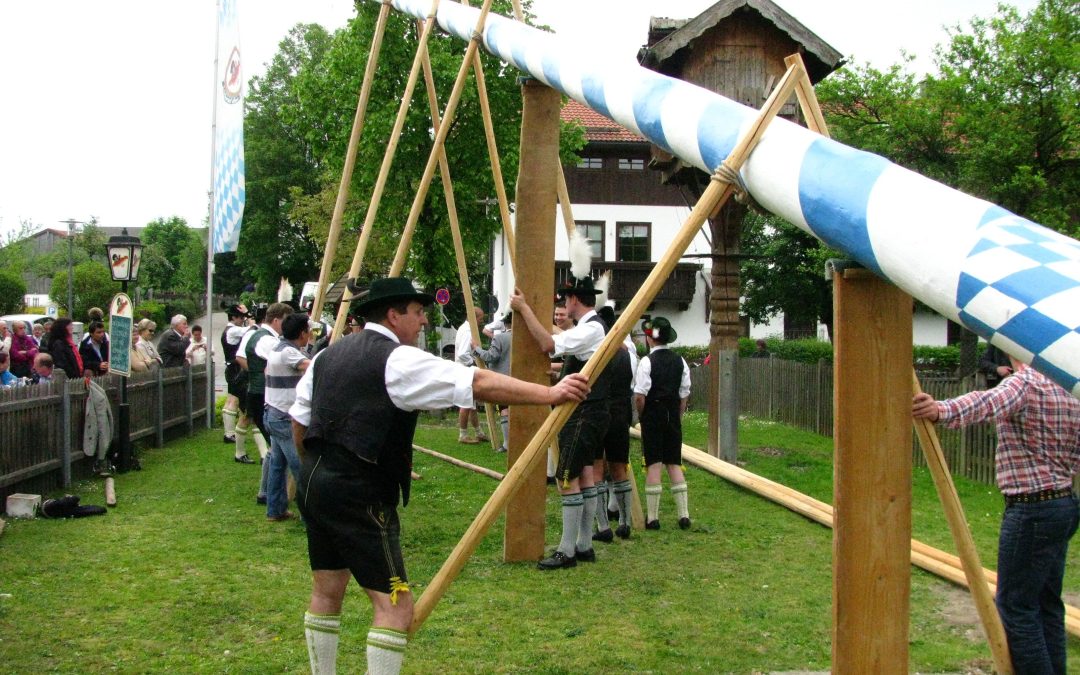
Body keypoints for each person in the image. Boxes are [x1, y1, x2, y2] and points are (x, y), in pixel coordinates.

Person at [294, 277, 589, 675]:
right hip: (358, 492)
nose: (423, 323)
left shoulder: (327, 356)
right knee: (395, 606)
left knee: (326, 591)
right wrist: (549, 394)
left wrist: (321, 467)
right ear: (393, 315)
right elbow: (477, 382)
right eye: (417, 313)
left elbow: (301, 421)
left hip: (315, 480)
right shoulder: (397, 359)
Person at [913, 353, 1080, 674]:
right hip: (1063, 504)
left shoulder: (1026, 383)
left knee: (1017, 606)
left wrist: (939, 410)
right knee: (1047, 605)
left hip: (1032, 507)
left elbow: (985, 402)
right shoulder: (1067, 390)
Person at [511, 276, 615, 569]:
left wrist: (523, 308)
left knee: (565, 478)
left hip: (584, 413)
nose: (562, 303)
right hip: (592, 410)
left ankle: (567, 550)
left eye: (565, 299)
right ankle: (583, 545)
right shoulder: (593, 328)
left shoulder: (592, 329)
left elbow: (547, 344)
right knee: (583, 476)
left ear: (574, 300)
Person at [634, 316, 693, 531]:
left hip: (653, 414)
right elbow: (684, 394)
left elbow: (640, 396)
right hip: (672, 412)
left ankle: (653, 518)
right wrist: (678, 415)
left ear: (650, 339)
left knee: (654, 462)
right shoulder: (681, 361)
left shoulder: (646, 362)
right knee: (674, 461)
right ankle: (683, 515)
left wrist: (642, 416)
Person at [239, 302, 292, 504]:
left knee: (276, 447)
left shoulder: (261, 336)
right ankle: (272, 492)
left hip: (260, 393)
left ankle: (267, 492)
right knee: (280, 448)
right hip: (263, 395)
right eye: (286, 322)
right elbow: (281, 360)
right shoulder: (266, 340)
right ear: (277, 320)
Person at [592, 305, 637, 541]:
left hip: (600, 411)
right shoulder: (627, 353)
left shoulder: (596, 351)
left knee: (598, 470)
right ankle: (625, 522)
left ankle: (602, 526)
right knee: (619, 467)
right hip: (621, 412)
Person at [262, 313, 311, 522]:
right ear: (302, 333)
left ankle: (275, 509)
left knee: (277, 464)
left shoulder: (277, 348)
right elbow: (313, 366)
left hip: (272, 413)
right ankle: (309, 516)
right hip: (283, 417)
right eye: (309, 331)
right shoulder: (289, 353)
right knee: (301, 466)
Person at [472, 313, 512, 453]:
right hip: (520, 379)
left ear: (505, 324)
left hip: (502, 379)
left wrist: (476, 349)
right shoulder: (525, 338)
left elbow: (491, 357)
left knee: (504, 411)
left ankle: (507, 444)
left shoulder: (500, 337)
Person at [221, 304, 256, 461]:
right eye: (240, 317)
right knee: (235, 401)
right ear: (233, 317)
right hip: (235, 369)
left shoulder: (230, 330)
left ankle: (229, 433)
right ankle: (230, 434)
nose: (242, 320)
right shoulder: (234, 330)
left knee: (231, 399)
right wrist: (250, 319)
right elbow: (252, 331)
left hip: (232, 368)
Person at [455, 306, 487, 444]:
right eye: (480, 318)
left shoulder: (465, 328)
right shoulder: (468, 331)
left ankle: (479, 432)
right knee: (466, 403)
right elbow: (462, 354)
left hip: (464, 370)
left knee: (472, 402)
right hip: (464, 371)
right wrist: (473, 365)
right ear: (474, 318)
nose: (481, 321)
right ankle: (462, 434)